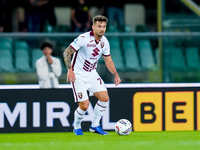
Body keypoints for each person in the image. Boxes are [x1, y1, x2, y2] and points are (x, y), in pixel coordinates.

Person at [63, 15, 121, 135]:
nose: (102, 29)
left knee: (105, 98)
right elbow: (66, 52)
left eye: (104, 26)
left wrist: (116, 74)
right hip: (78, 74)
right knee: (84, 105)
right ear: (93, 26)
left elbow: (108, 61)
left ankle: (94, 126)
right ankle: (77, 127)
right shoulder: (83, 38)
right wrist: (70, 70)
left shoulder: (104, 42)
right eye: (99, 26)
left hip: (92, 74)